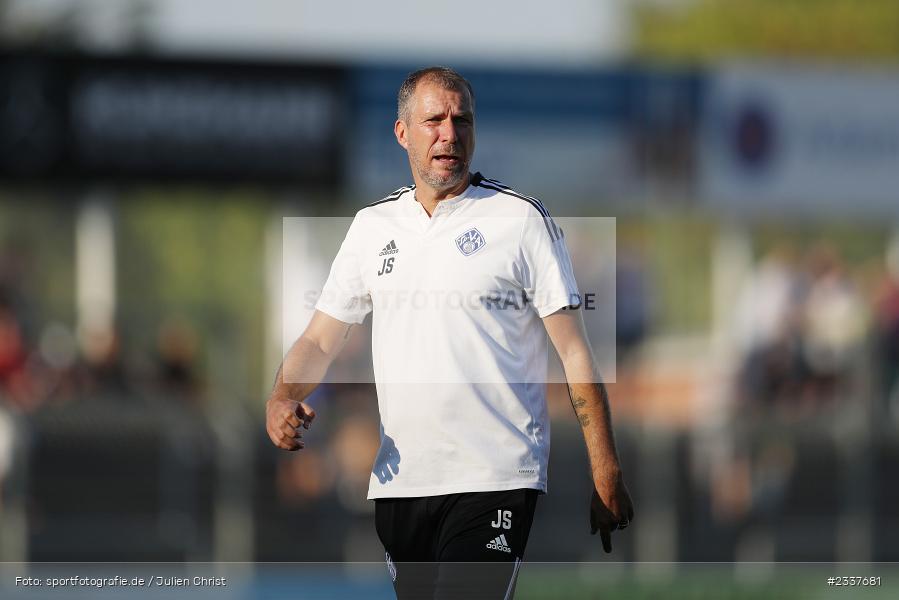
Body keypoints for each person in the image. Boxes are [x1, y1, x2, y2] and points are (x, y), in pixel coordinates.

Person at [266, 66, 634, 599]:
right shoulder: (373, 228)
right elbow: (321, 339)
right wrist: (281, 397)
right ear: (402, 133)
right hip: (402, 482)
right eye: (434, 120)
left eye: (461, 120)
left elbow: (575, 353)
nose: (449, 133)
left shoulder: (520, 221)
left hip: (495, 476)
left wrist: (606, 466)